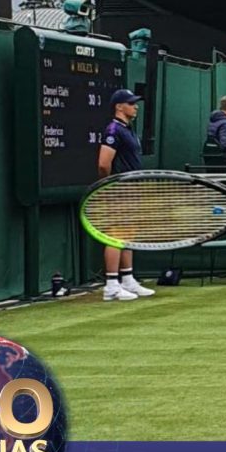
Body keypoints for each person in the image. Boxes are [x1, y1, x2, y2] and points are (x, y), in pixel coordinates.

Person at [97, 89, 156, 302]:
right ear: (119, 107)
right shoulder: (113, 129)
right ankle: (111, 285)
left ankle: (128, 279)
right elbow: (104, 163)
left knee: (128, 234)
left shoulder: (128, 129)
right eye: (131, 103)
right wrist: (112, 184)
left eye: (135, 103)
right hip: (119, 189)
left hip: (132, 189)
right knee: (115, 235)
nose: (136, 106)